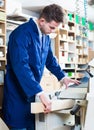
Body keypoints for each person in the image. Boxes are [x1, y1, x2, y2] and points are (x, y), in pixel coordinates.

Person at [2, 4, 80, 130]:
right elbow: (21, 67)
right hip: (17, 94)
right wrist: (40, 92)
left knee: (34, 125)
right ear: (42, 21)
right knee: (19, 125)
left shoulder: (45, 36)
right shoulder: (21, 34)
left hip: (32, 95)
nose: (53, 31)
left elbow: (50, 60)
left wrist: (62, 77)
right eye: (52, 27)